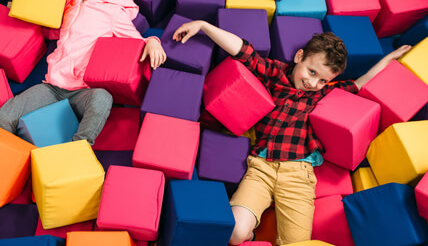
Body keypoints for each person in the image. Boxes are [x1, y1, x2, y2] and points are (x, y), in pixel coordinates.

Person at [0, 0, 167, 213]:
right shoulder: (69, 3)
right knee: (4, 117)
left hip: (83, 91)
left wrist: (154, 42)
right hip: (52, 86)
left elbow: (136, 38)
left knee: (104, 98)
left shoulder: (113, 11)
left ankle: (78, 152)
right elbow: (51, 28)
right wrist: (21, 9)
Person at [172, 20, 411, 245]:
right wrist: (203, 26)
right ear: (299, 57)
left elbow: (361, 83)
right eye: (311, 72)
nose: (313, 83)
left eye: (322, 80)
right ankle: (257, 233)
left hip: (299, 176)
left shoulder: (323, 93)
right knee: (234, 233)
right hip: (261, 169)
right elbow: (244, 52)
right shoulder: (276, 73)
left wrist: (389, 58)